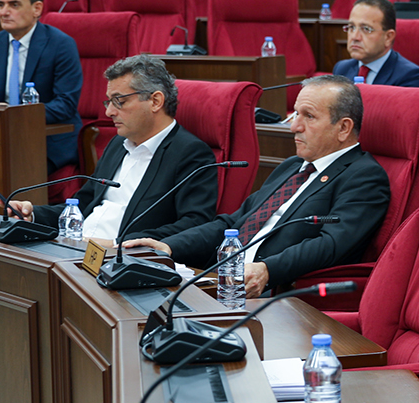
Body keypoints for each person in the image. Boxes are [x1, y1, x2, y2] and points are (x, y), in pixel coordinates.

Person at [125, 75, 390, 299]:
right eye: (296, 113)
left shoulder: (363, 176)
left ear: (343, 128)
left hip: (273, 295)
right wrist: (168, 247)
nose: (294, 126)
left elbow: (331, 244)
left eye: (309, 116)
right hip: (217, 279)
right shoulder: (292, 166)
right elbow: (233, 223)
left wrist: (268, 270)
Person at [5, 55, 217, 243]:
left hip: (123, 261)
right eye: (109, 102)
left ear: (155, 101)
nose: (109, 112)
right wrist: (33, 215)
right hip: (77, 250)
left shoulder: (190, 154)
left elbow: (194, 225)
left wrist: (118, 244)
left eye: (119, 101)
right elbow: (84, 204)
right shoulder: (118, 144)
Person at [0, 0, 84, 171]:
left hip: (48, 139)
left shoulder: (61, 44)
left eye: (14, 5)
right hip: (2, 136)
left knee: (12, 169)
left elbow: (65, 104)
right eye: (1, 5)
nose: (4, 12)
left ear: (36, 9)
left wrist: (15, 116)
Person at [331, 0, 419, 87]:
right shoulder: (342, 69)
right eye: (352, 27)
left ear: (388, 37)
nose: (355, 37)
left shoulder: (410, 76)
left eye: (366, 29)